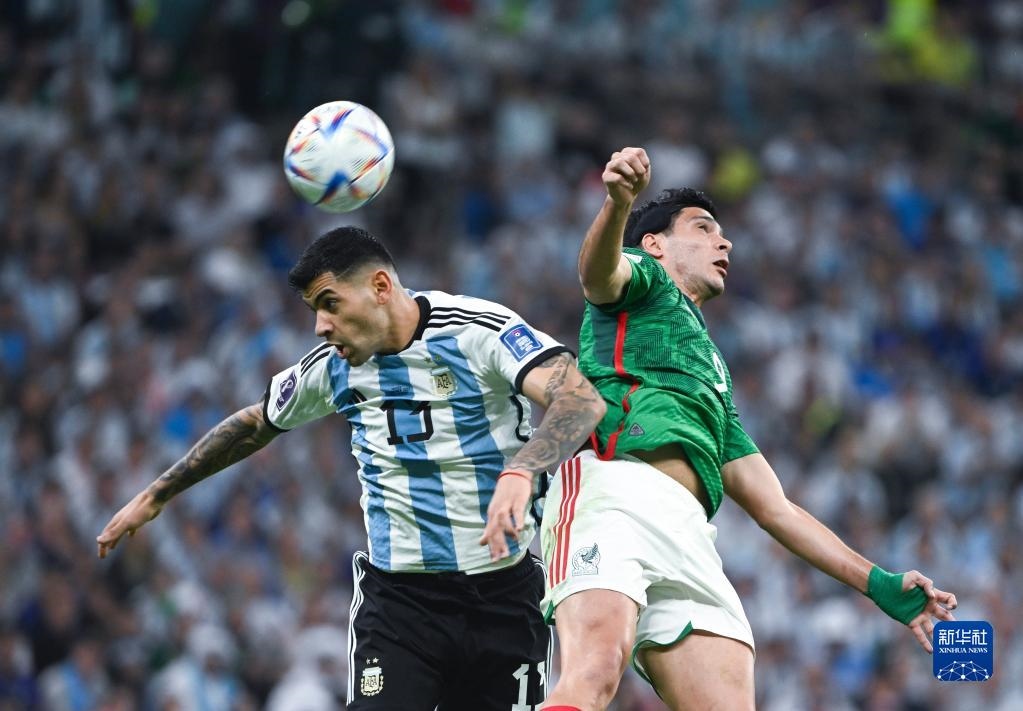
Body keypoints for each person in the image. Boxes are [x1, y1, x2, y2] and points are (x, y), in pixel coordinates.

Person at [97, 226, 606, 710]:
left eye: (330, 303)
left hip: (504, 597)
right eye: (315, 310)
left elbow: (580, 400)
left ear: (380, 287)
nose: (321, 325)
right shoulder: (334, 366)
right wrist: (157, 494)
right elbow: (256, 423)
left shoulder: (477, 331)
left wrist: (520, 472)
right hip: (401, 605)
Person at [538, 148, 958, 711]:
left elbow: (776, 508)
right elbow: (597, 273)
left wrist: (879, 583)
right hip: (614, 495)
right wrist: (618, 203)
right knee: (594, 672)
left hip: (689, 531)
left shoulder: (713, 375)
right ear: (655, 245)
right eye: (704, 228)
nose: (725, 242)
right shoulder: (644, 281)